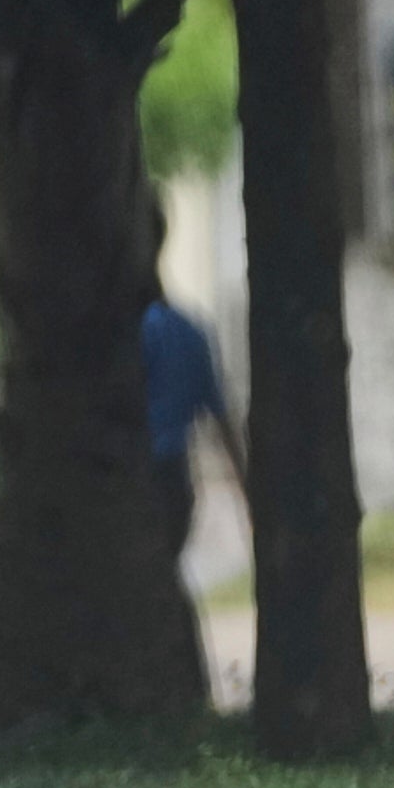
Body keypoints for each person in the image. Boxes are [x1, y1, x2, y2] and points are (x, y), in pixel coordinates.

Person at [137, 212, 236, 577]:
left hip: (130, 479)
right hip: (173, 482)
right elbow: (221, 417)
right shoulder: (189, 331)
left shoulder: (122, 339)